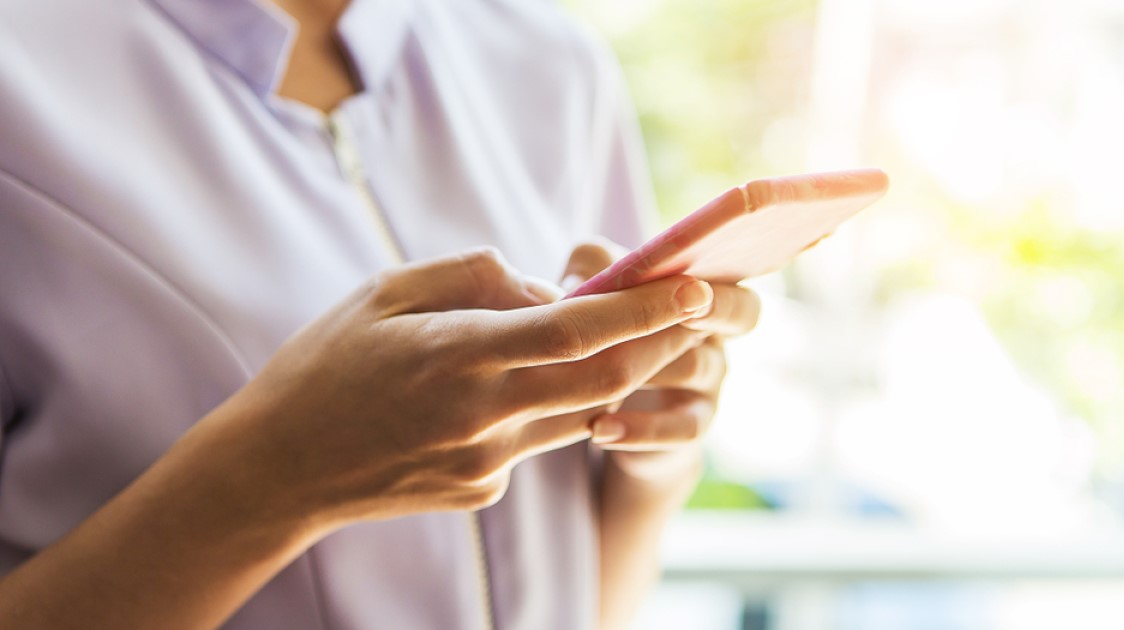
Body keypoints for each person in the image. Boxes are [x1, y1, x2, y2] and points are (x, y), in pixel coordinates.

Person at [0, 0, 760, 628]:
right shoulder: (23, 74)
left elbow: (583, 602)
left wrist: (650, 461)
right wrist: (273, 476)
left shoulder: (552, 60)